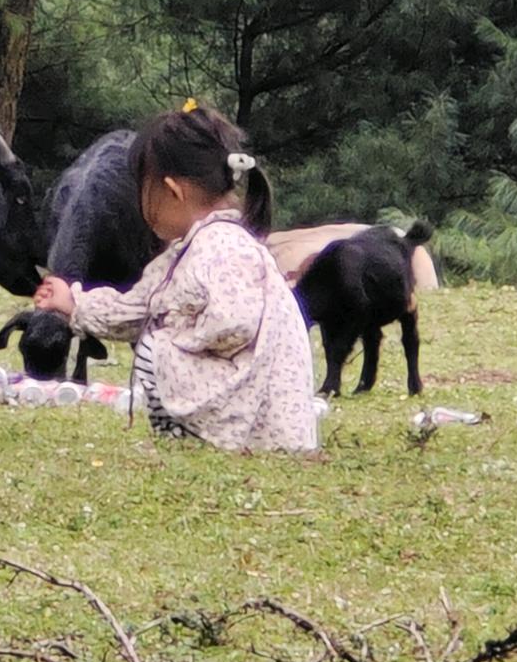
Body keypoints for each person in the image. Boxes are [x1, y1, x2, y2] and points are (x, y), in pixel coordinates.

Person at [34, 105, 318, 452]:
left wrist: (176, 330)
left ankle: (199, 438)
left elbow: (234, 322)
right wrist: (74, 303)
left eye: (142, 190)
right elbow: (138, 309)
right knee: (155, 338)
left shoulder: (223, 247)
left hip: (257, 425)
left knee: (156, 349)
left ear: (172, 191)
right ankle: (194, 438)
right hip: (248, 411)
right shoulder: (185, 252)